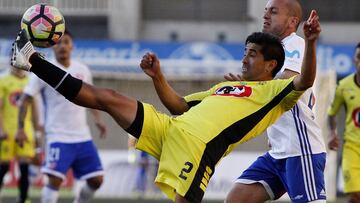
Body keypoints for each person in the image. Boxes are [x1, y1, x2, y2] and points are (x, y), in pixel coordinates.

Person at [11, 10, 320, 203]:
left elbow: (304, 80)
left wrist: (311, 44)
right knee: (106, 97)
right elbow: (180, 106)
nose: (244, 58)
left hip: (198, 150)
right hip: (170, 129)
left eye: (252, 53)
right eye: (244, 51)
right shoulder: (226, 86)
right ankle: (32, 60)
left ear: (271, 65)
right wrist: (159, 77)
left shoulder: (275, 91)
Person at [224, 1, 327, 203]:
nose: (265, 16)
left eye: (273, 11)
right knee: (236, 199)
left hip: (301, 148)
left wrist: (250, 86)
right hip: (278, 152)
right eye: (265, 11)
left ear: (292, 21)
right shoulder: (274, 51)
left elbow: (288, 82)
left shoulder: (294, 44)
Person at [15, 30, 107, 203]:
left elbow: (92, 97)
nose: (63, 46)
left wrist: (98, 119)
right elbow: (25, 100)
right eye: (59, 43)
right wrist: (20, 129)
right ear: (52, 47)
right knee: (55, 181)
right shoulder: (44, 71)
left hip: (82, 136)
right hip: (58, 136)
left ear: (72, 46)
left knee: (97, 180)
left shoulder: (82, 69)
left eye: (66, 42)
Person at [0, 65, 42, 203]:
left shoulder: (31, 81)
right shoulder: (3, 80)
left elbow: (35, 110)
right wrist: (1, 129)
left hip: (25, 131)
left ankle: (24, 199)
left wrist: (37, 133)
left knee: (24, 168)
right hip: (7, 131)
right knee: (3, 167)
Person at [327, 42, 360, 203]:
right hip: (351, 148)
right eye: (359, 57)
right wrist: (332, 134)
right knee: (354, 195)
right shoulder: (344, 86)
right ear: (354, 60)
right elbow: (331, 114)